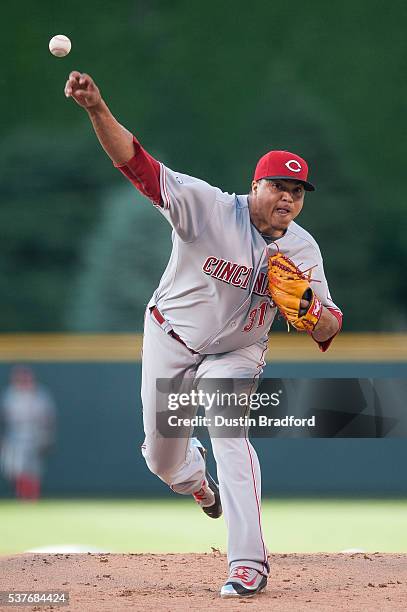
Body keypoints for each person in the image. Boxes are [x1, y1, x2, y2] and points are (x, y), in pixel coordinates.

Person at [64, 71, 342, 598]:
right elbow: (138, 166)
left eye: (298, 190)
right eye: (278, 186)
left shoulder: (302, 249)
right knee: (160, 459)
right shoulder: (208, 208)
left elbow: (329, 324)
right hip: (171, 336)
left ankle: (247, 564)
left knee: (229, 431)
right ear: (254, 185)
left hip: (236, 353)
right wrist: (98, 110)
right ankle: (193, 481)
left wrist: (309, 311)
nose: (288, 197)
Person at [0, 366, 56, 501]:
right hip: (15, 435)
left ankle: (32, 497)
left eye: (26, 378)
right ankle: (23, 494)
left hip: (35, 434)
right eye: (20, 378)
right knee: (14, 468)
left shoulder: (41, 395)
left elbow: (49, 418)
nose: (24, 381)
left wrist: (48, 437)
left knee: (33, 470)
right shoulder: (9, 395)